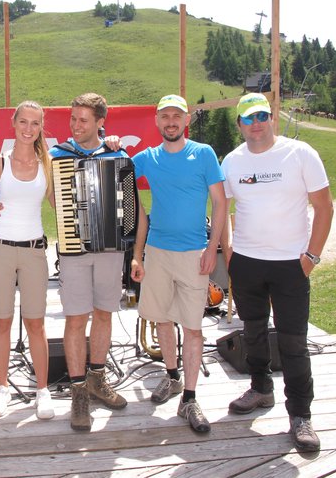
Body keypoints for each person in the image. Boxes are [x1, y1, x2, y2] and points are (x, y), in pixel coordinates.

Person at [221, 93, 333, 452]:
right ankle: (260, 389)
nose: (256, 124)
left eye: (262, 116)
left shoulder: (300, 154)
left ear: (271, 118)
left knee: (293, 342)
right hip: (247, 262)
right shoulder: (233, 161)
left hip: (291, 264)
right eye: (248, 118)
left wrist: (311, 257)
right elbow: (221, 207)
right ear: (239, 125)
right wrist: (228, 251)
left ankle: (300, 415)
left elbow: (324, 206)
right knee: (252, 332)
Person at [129, 94, 225, 433]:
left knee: (194, 328)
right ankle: (171, 376)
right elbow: (117, 167)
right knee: (163, 321)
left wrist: (213, 247)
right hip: (158, 251)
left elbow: (220, 202)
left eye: (177, 116)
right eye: (165, 115)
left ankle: (190, 397)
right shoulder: (147, 158)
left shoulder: (203, 154)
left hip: (195, 253)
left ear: (186, 121)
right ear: (157, 121)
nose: (171, 121)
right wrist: (110, 141)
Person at [48, 93, 136, 432]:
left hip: (111, 249)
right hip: (74, 249)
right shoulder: (60, 155)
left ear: (101, 122)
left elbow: (128, 204)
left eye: (83, 120)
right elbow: (56, 202)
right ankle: (78, 391)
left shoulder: (117, 153)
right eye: (73, 119)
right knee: (75, 318)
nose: (75, 125)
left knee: (103, 313)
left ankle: (98, 378)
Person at [0, 100, 55, 419]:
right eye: (23, 121)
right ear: (13, 123)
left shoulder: (47, 164)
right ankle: (2, 387)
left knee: (36, 324)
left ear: (41, 127)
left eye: (34, 123)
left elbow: (59, 204)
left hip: (35, 251)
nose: (28, 128)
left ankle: (43, 390)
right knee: (2, 321)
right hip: (0, 249)